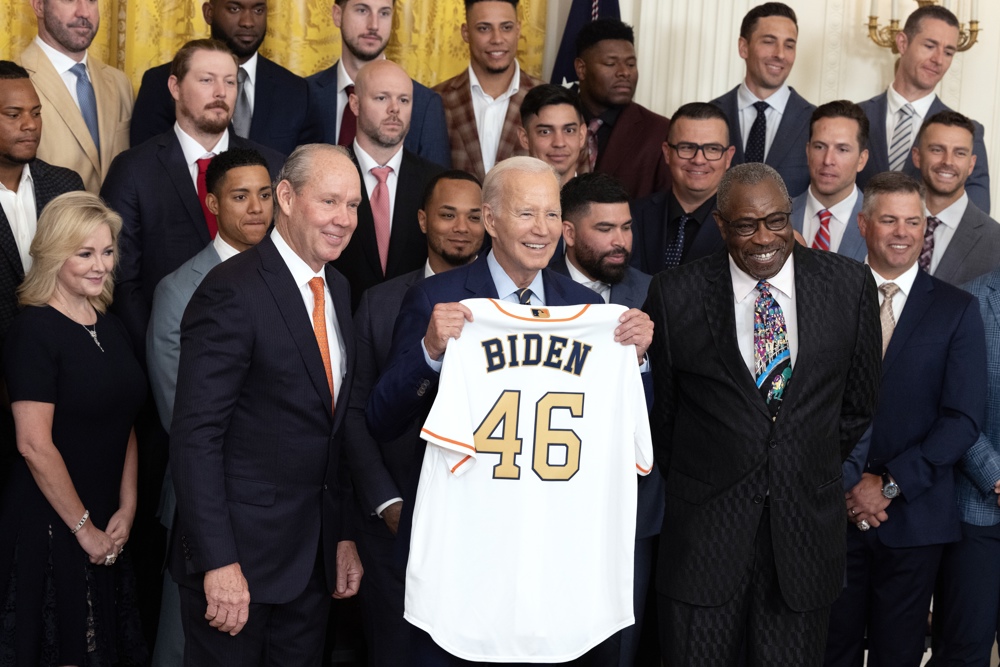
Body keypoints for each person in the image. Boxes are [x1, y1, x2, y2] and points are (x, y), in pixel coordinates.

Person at [367, 156, 653, 664]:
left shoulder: (587, 310)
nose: (542, 229)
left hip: (556, 551)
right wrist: (429, 352)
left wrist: (638, 361)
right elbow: (382, 417)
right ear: (491, 220)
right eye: (526, 214)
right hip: (465, 548)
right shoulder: (436, 299)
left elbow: (627, 426)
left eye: (551, 214)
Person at [644, 162, 882, 666]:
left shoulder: (849, 285)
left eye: (776, 221)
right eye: (746, 225)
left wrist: (800, 463)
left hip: (803, 542)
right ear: (720, 224)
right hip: (704, 544)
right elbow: (663, 417)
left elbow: (857, 405)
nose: (765, 238)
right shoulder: (674, 293)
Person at [169, 144, 363, 666]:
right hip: (239, 569)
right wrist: (218, 562)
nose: (344, 219)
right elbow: (196, 437)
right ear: (287, 197)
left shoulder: (339, 288)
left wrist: (342, 537)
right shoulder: (230, 289)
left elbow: (333, 429)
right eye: (329, 202)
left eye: (352, 205)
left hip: (312, 569)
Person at [825, 171, 987, 667]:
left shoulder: (957, 309)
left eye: (913, 222)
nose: (902, 232)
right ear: (863, 224)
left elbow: (962, 420)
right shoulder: (825, 297)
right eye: (889, 220)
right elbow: (804, 406)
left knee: (898, 656)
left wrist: (889, 485)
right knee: (828, 652)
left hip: (915, 519)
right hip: (830, 513)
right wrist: (847, 484)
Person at [0, 191, 147, 665]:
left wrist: (128, 506)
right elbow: (33, 444)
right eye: (84, 253)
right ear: (53, 254)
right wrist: (84, 529)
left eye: (107, 251)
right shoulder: (33, 331)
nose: (100, 265)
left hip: (107, 523)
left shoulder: (112, 326)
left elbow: (125, 421)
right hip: (50, 525)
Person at [346, 169, 484, 666]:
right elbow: (354, 412)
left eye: (473, 216)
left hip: (484, 530)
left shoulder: (512, 308)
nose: (461, 228)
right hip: (395, 525)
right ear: (423, 220)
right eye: (448, 215)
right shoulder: (379, 302)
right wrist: (387, 503)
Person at [145, 147, 273, 667]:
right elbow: (181, 414)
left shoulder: (295, 278)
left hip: (277, 505)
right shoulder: (179, 289)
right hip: (204, 496)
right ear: (213, 203)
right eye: (241, 196)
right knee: (189, 642)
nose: (257, 208)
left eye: (265, 194)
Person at [101, 38, 284, 354]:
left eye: (230, 82)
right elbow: (121, 278)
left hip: (263, 350)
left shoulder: (273, 165)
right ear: (175, 87)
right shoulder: (132, 170)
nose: (220, 92)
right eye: (206, 80)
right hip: (166, 350)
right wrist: (158, 349)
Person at [551, 171, 661, 667]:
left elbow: (673, 405)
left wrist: (641, 362)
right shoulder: (536, 291)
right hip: (551, 503)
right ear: (569, 233)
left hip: (631, 506)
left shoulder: (655, 293)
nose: (621, 241)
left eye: (626, 227)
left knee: (619, 650)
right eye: (605, 229)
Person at [130, 0, 322, 155]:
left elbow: (304, 173)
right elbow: (147, 164)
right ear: (209, 12)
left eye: (258, 10)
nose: (248, 22)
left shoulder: (296, 90)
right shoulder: (160, 82)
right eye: (234, 8)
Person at [929, 266, 1000, 666]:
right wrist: (996, 476)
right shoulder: (969, 301)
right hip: (978, 511)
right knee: (963, 652)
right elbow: (954, 407)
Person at [857, 4, 991, 213]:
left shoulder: (968, 133)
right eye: (929, 46)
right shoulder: (853, 118)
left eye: (948, 52)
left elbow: (976, 217)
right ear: (902, 43)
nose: (938, 60)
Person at [334, 59, 444, 310]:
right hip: (340, 322)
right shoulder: (326, 175)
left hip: (417, 322)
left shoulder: (435, 182)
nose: (394, 109)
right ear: (355, 104)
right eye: (382, 98)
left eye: (404, 100)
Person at [309, 0, 450, 167]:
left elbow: (437, 180)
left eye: (384, 13)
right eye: (362, 10)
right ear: (337, 15)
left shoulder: (425, 103)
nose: (374, 25)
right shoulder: (305, 94)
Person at [16, 0, 133, 193]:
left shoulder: (120, 83)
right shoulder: (12, 86)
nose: (84, 12)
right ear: (39, 6)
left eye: (92, 0)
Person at [711, 2, 815, 197]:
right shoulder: (710, 115)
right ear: (743, 47)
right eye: (769, 42)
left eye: (789, 45)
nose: (780, 54)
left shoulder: (815, 122)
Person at [433, 0, 543, 182]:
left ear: (518, 30)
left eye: (506, 28)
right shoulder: (437, 100)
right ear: (466, 32)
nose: (497, 39)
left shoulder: (545, 98)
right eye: (484, 28)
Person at [630, 102, 734, 274]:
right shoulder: (632, 215)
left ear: (728, 157)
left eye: (712, 149)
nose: (698, 160)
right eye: (687, 147)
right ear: (667, 153)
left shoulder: (743, 227)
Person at [574, 18, 670, 200]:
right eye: (611, 64)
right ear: (581, 69)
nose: (625, 72)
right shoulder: (554, 122)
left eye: (631, 64)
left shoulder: (660, 131)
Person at [911, 110, 1000, 286]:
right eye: (937, 150)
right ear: (917, 156)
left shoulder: (996, 242)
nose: (948, 161)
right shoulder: (884, 223)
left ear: (971, 164)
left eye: (959, 153)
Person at [790, 100, 870, 262]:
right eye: (820, 147)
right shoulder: (779, 216)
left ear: (862, 159)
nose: (827, 160)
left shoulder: (878, 224)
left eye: (842, 149)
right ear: (808, 152)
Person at [518, 84, 587, 186]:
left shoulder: (599, 196)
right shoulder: (505, 195)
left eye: (569, 130)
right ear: (524, 138)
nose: (559, 143)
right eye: (545, 132)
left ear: (581, 135)